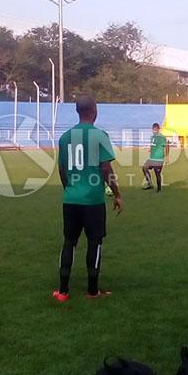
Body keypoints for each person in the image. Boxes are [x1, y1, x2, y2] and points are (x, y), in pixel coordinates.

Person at [54, 96, 122, 302]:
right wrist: (117, 193)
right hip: (93, 200)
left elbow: (62, 169)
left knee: (69, 242)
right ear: (94, 110)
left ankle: (63, 292)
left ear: (77, 111)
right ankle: (92, 291)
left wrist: (70, 189)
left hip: (71, 199)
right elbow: (105, 167)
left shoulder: (65, 137)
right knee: (95, 243)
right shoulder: (99, 135)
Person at [141, 123, 168, 192]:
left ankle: (159, 189)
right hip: (151, 158)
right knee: (144, 168)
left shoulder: (162, 137)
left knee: (157, 173)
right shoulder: (152, 137)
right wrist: (150, 149)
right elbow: (153, 145)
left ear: (159, 129)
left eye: (156, 129)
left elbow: (167, 146)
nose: (154, 130)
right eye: (153, 129)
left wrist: (167, 157)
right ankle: (150, 184)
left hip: (159, 159)